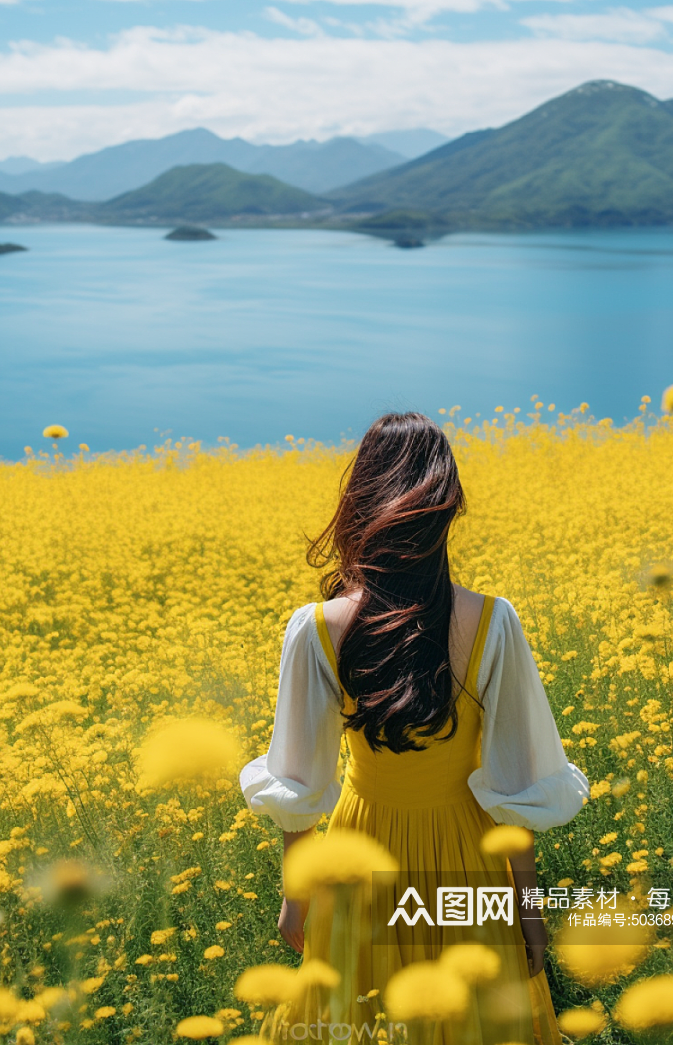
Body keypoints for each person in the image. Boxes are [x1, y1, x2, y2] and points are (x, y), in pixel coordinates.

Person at [240, 412, 590, 1044]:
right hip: (468, 864)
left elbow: (298, 779)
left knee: (358, 1022)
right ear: (445, 510)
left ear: (360, 506)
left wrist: (296, 896)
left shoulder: (316, 627)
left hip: (357, 855)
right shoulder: (492, 623)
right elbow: (521, 782)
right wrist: (528, 910)